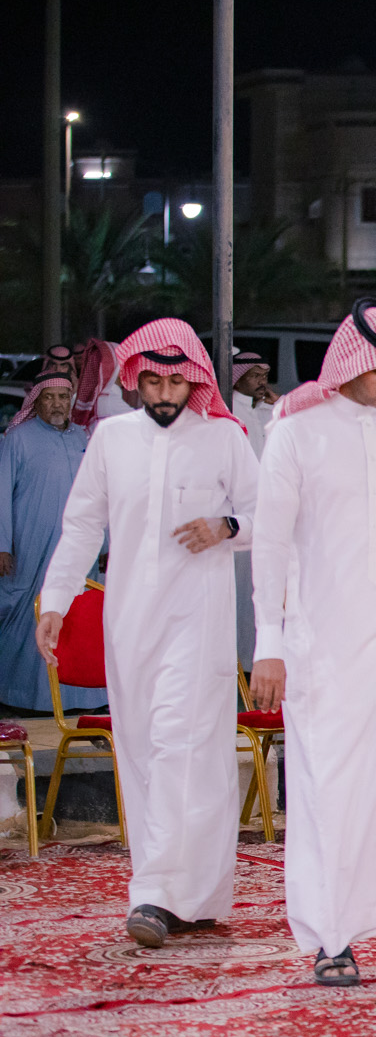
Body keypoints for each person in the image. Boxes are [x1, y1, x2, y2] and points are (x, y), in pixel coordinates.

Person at [248, 301, 376, 986]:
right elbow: (270, 545)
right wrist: (269, 641)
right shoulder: (295, 432)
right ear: (353, 363)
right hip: (324, 639)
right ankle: (331, 934)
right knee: (331, 783)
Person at [38, 320, 260, 947]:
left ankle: (156, 897)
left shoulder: (223, 437)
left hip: (198, 622)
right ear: (135, 377)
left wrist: (227, 527)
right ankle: (194, 896)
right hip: (130, 623)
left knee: (177, 748)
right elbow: (83, 524)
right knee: (143, 754)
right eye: (153, 381)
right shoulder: (112, 439)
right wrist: (56, 599)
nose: (164, 393)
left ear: (194, 381)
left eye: (175, 382)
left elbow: (268, 512)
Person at [0, 374, 101, 713]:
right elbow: (1, 494)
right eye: (49, 397)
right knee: (32, 613)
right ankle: (24, 696)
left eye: (63, 397)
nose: (57, 404)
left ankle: (80, 697)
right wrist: (2, 545)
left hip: (80, 547)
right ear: (37, 401)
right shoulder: (18, 438)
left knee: (76, 613)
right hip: (30, 544)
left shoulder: (82, 437)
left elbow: (99, 494)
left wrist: (106, 544)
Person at [229, 351, 281, 669]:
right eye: (255, 376)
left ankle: (252, 662)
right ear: (238, 378)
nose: (262, 382)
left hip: (267, 514)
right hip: (240, 516)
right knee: (237, 592)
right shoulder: (229, 411)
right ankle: (236, 662)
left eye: (265, 376)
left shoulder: (264, 412)